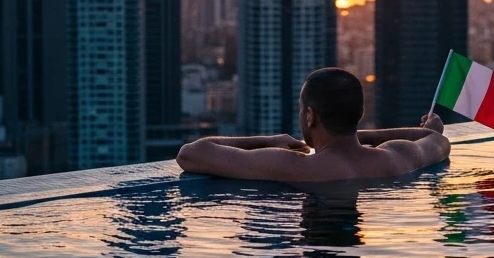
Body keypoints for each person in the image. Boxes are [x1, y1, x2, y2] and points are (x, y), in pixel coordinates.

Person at [176, 67, 450, 182]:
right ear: (360, 112)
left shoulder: (294, 166)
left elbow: (190, 154)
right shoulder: (397, 157)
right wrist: (357, 133)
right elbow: (436, 140)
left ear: (310, 116)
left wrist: (267, 141)